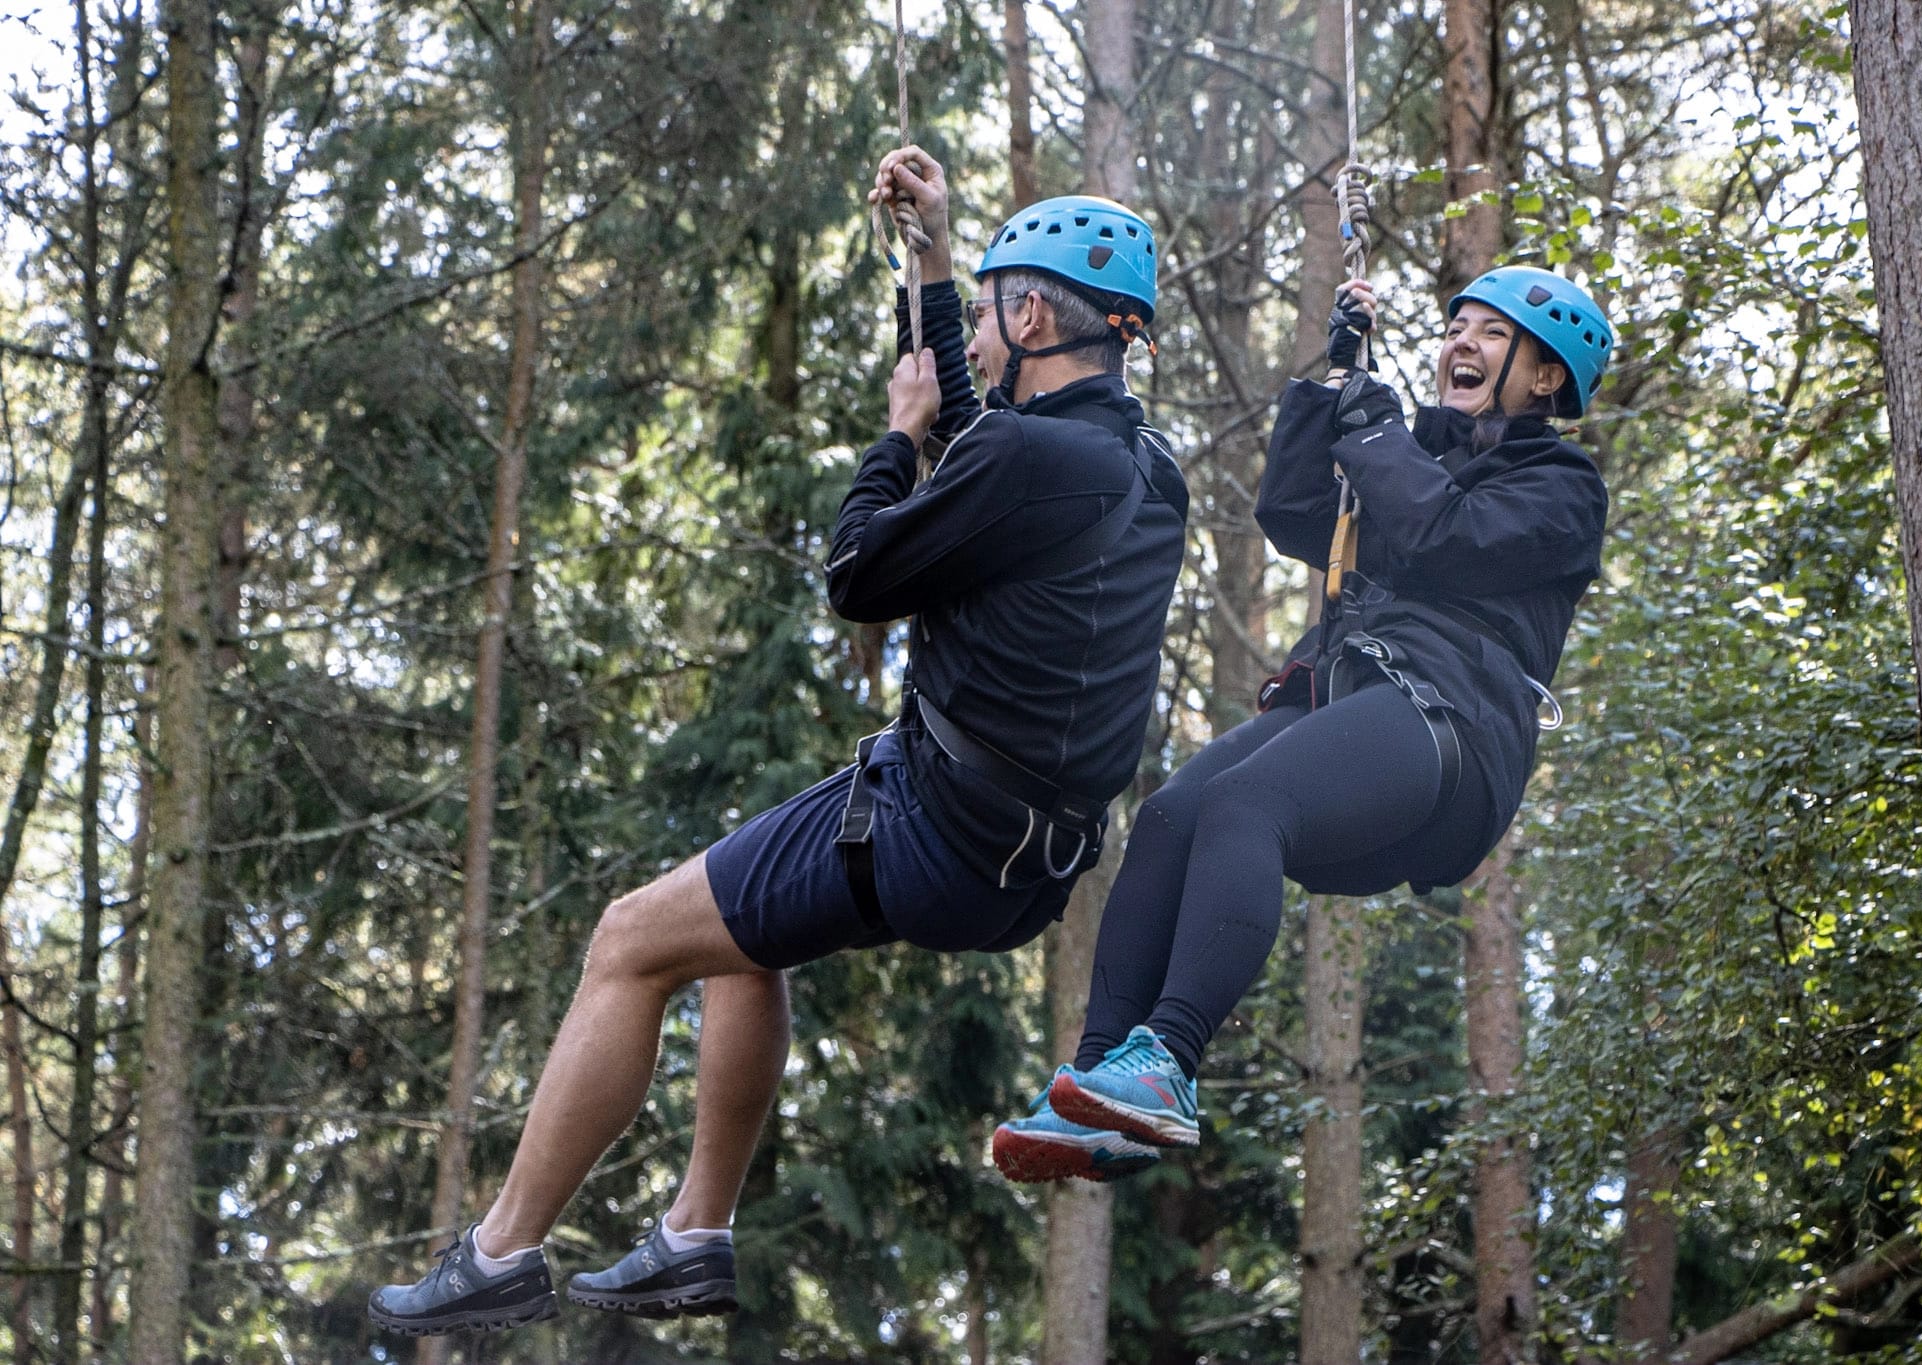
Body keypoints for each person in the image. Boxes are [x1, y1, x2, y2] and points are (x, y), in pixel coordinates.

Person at [368, 148, 1188, 1335]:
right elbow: (998, 449)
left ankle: (499, 1252)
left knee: (629, 940)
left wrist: (895, 439)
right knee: (741, 943)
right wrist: (934, 258)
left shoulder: (1022, 456)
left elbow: (859, 574)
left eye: (992, 312)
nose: (982, 350)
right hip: (1024, 862)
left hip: (931, 826)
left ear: (1025, 312)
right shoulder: (1136, 468)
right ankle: (693, 1236)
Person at [993, 264, 1613, 1182]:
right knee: (1170, 817)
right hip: (1360, 693)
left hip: (1454, 725)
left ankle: (1166, 1060)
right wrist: (1331, 387)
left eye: (1488, 333)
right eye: (1457, 328)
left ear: (1546, 375)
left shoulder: (1562, 486)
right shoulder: (1416, 452)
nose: (1459, 345)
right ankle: (1101, 1085)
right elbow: (1292, 512)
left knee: (1246, 803)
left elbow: (1447, 533)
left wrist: (1374, 428)